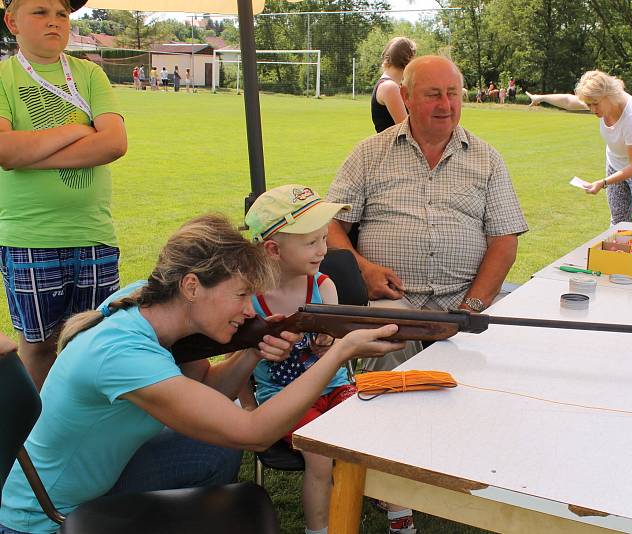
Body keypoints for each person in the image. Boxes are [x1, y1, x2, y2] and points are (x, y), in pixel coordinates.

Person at [0, 214, 404, 534]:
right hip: (45, 517)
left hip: (101, 478)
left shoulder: (152, 300)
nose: (251, 311)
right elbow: (254, 433)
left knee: (216, 449)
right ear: (192, 286)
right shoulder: (123, 355)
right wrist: (341, 353)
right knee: (230, 440)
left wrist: (251, 352)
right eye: (242, 295)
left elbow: (208, 388)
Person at [326, 55, 528, 371]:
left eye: (453, 93)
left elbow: (504, 241)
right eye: (433, 94)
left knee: (510, 352)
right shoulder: (369, 153)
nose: (446, 104)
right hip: (391, 300)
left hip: (464, 298)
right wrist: (363, 269)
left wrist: (471, 307)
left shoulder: (487, 160)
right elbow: (331, 226)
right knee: (383, 341)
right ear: (405, 97)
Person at [240, 185, 418, 534]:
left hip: (334, 388)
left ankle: (402, 521)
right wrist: (248, 409)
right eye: (311, 242)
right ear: (273, 249)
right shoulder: (247, 300)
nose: (324, 249)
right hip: (283, 400)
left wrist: (327, 343)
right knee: (320, 455)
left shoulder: (324, 286)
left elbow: (335, 349)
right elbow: (238, 362)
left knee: (383, 430)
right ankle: (319, 529)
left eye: (324, 238)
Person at [0, 0, 127, 391]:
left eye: (61, 14)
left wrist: (30, 153)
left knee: (94, 341)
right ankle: (40, 440)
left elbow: (115, 143)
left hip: (94, 234)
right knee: (38, 347)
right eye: (40, 12)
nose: (54, 22)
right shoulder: (4, 76)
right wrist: (80, 131)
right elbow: (5, 152)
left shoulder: (89, 74)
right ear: (11, 21)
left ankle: (84, 433)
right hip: (30, 236)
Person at [526, 70, 632, 224]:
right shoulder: (600, 100)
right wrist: (540, 98)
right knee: (618, 222)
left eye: (595, 104)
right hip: (614, 164)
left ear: (608, 95)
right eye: (588, 105)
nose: (592, 109)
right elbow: (568, 101)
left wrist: (603, 182)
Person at [371, 36, 416, 133]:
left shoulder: (390, 85)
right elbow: (407, 130)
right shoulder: (389, 87)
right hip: (392, 147)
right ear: (409, 59)